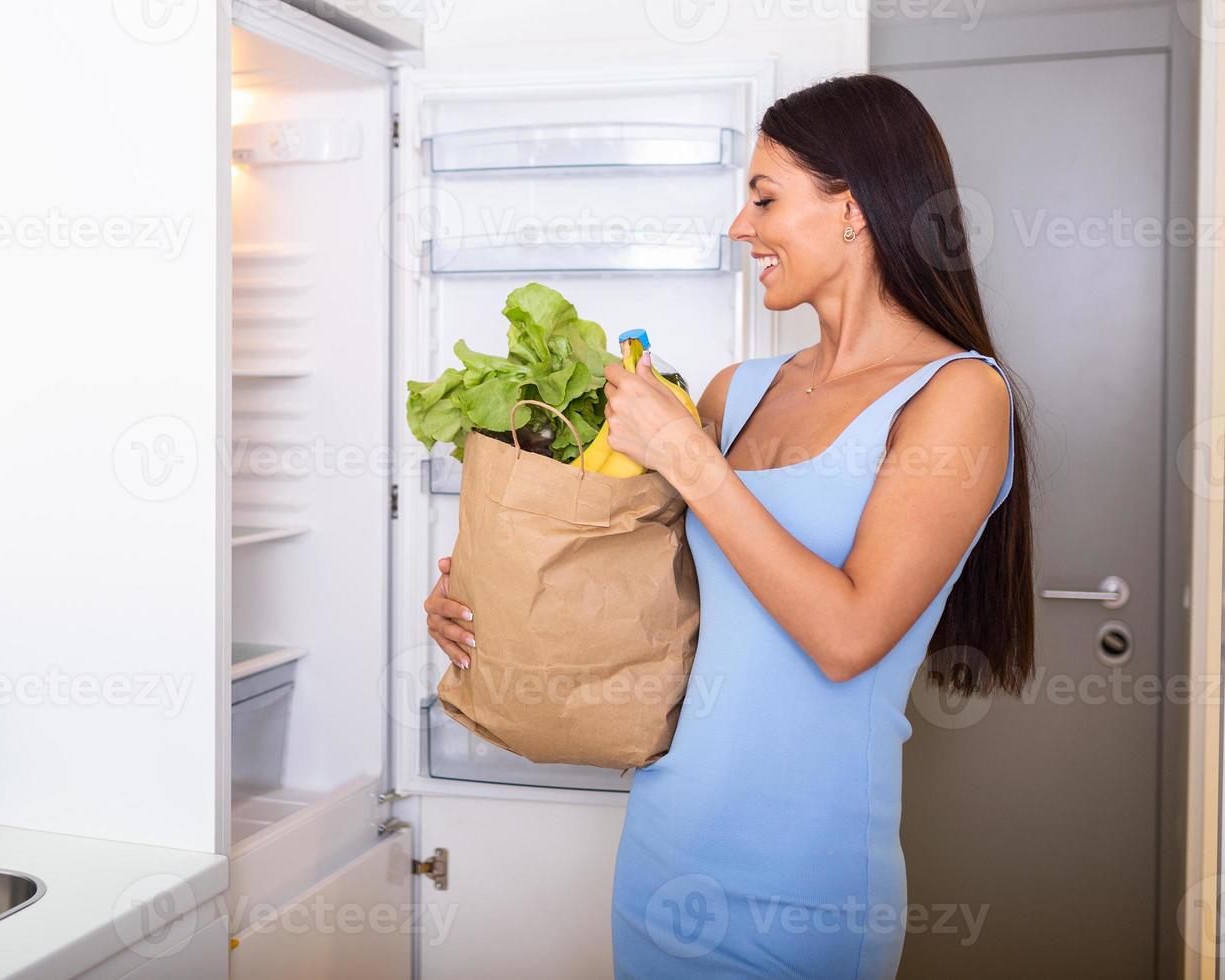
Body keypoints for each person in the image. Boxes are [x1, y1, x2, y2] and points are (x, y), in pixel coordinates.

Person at [424, 73, 1035, 978]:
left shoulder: (958, 397)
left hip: (805, 888)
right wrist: (486, 599)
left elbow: (848, 636)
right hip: (662, 854)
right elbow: (647, 599)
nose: (739, 227)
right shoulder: (735, 392)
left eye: (763, 198)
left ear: (853, 210)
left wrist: (692, 460)